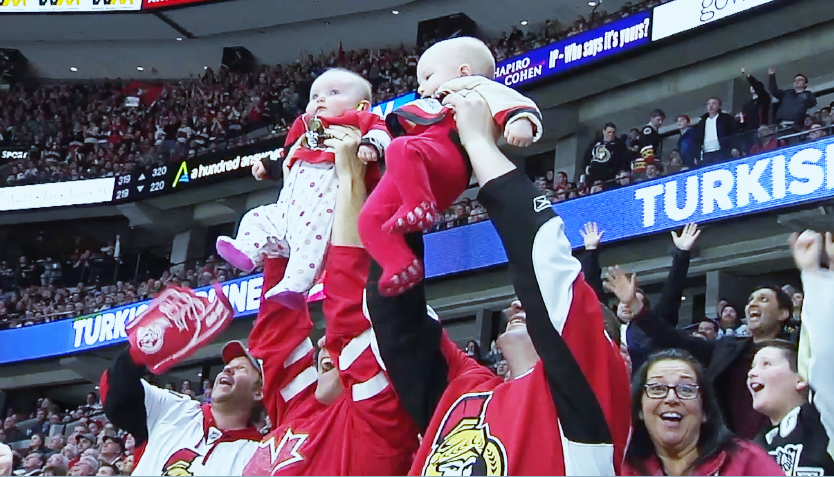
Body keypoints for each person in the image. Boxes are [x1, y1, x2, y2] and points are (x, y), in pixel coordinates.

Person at [366, 91, 631, 474]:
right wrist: (409, 188)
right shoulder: (462, 390)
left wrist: (479, 142)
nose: (517, 305)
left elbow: (546, 270)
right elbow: (397, 326)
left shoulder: (591, 399)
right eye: (517, 304)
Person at [241, 125, 418, 475]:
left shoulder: (378, 420)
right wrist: (292, 215)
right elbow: (276, 337)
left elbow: (349, 319)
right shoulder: (300, 408)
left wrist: (352, 181)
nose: (322, 343)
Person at [357, 36, 542, 296]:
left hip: (447, 156)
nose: (421, 88)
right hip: (414, 171)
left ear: (463, 72)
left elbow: (514, 102)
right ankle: (399, 264)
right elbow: (389, 130)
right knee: (367, 218)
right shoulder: (425, 104)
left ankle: (419, 207)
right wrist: (371, 145)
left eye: (428, 77)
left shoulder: (473, 88)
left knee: (402, 148)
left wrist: (518, 122)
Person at [216, 68, 390, 309]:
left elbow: (382, 134)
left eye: (333, 92)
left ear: (361, 106)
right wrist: (267, 166)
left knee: (310, 242)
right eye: (314, 95)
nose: (320, 99)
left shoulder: (359, 121)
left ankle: (296, 285)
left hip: (324, 205)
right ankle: (246, 251)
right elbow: (287, 154)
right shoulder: (306, 127)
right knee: (256, 217)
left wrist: (371, 146)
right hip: (289, 204)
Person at [609, 265, 794, 439]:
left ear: (783, 313)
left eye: (763, 299)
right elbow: (671, 337)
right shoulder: (726, 348)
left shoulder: (798, 355)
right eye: (750, 300)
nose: (752, 304)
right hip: (731, 449)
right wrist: (635, 306)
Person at [102, 340, 263, 474]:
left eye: (241, 368)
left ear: (259, 392)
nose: (227, 369)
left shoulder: (259, 455)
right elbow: (113, 393)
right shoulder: (174, 408)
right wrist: (142, 347)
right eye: (227, 366)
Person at [748, 230, 834, 475]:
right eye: (753, 367)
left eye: (766, 364)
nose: (752, 374)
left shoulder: (822, 424)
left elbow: (827, 357)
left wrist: (815, 277)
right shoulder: (751, 449)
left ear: (801, 378)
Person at [624, 348, 784, 475]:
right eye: (658, 388)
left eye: (685, 389)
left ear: (705, 411)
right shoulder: (619, 465)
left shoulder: (748, 461)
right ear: (639, 410)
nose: (671, 398)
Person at [769, 66, 817, 132]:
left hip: (795, 127)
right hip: (781, 127)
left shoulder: (809, 95)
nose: (797, 82)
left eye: (800, 80)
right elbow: (773, 90)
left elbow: (812, 104)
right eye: (795, 80)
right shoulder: (786, 93)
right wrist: (771, 76)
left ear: (805, 84)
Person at [694, 97, 739, 165]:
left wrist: (735, 147)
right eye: (709, 104)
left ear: (719, 106)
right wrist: (697, 155)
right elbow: (697, 140)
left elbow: (734, 133)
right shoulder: (702, 122)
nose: (711, 106)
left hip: (721, 152)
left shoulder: (726, 118)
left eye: (714, 103)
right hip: (706, 154)